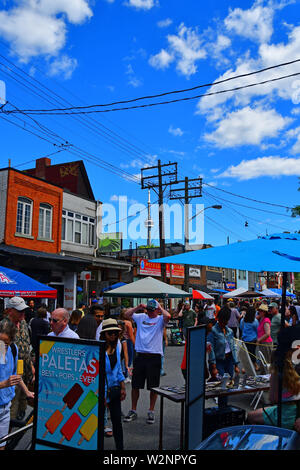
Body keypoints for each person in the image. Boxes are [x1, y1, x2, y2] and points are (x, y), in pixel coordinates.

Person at [123, 299, 171, 424]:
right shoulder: (141, 317)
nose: (150, 313)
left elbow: (168, 316)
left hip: (154, 356)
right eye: (148, 310)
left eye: (152, 310)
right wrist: (138, 307)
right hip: (141, 355)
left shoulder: (160, 319)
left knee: (153, 386)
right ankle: (133, 409)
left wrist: (160, 308)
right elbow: (126, 315)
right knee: (135, 385)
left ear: (156, 310)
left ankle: (151, 410)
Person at [247, 344, 300, 429]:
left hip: (283, 414)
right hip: (295, 411)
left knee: (250, 416)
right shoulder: (295, 373)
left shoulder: (275, 375)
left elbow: (272, 399)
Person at [0, 320, 34, 450]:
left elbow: (16, 376)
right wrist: (4, 384)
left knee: (2, 444)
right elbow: (7, 381)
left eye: (6, 343)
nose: (2, 346)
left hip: (5, 407)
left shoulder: (13, 349)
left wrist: (27, 392)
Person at [0, 297, 35, 422]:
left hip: (23, 372)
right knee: (12, 410)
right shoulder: (4, 326)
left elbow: (27, 348)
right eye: (19, 311)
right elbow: (2, 363)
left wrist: (31, 367)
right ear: (10, 311)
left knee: (22, 406)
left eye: (24, 310)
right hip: (11, 376)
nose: (22, 313)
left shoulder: (24, 323)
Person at [100, 319, 126, 450]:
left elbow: (118, 369)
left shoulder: (117, 347)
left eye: (116, 333)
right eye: (110, 333)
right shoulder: (98, 349)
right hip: (101, 391)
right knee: (97, 423)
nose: (113, 336)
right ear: (104, 334)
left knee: (117, 422)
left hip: (115, 389)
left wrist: (123, 386)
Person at [208, 305, 240, 407]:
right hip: (219, 361)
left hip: (229, 360)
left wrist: (236, 364)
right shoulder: (213, 331)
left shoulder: (230, 331)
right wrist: (213, 366)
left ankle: (224, 406)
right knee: (222, 386)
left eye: (226, 320)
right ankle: (222, 407)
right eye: (223, 320)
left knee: (229, 385)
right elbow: (210, 349)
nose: (225, 323)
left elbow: (233, 348)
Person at [119, 308, 135, 383]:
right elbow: (131, 336)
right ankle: (125, 375)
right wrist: (135, 344)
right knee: (128, 358)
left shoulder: (120, 322)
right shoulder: (128, 323)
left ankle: (123, 374)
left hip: (121, 340)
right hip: (128, 341)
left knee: (122, 358)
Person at [257, 303, 273, 368]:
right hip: (263, 343)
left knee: (266, 362)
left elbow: (268, 333)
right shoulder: (262, 319)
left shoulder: (266, 320)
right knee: (263, 362)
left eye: (260, 311)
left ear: (264, 312)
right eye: (259, 311)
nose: (259, 312)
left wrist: (259, 339)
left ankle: (267, 376)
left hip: (266, 343)